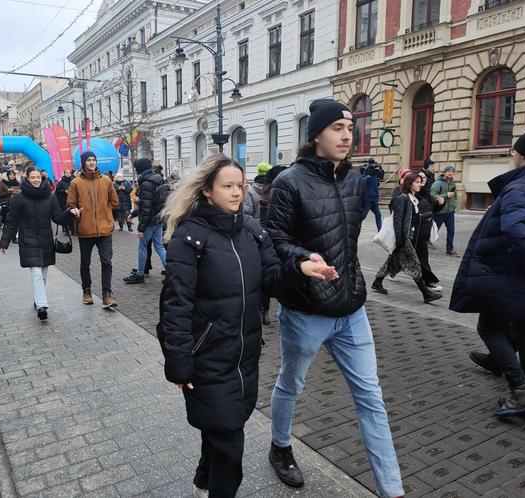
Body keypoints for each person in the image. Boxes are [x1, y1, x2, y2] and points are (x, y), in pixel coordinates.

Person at [159, 154, 337, 498]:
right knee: (230, 444)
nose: (237, 193)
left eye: (240, 186)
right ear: (208, 191)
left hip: (244, 356)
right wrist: (179, 365)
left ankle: (202, 482)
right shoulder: (189, 239)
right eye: (227, 186)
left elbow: (271, 279)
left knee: (223, 428)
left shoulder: (253, 231)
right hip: (206, 358)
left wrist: (299, 268)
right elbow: (175, 306)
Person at [265, 100, 403, 497]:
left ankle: (391, 489)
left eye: (350, 127)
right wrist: (304, 259)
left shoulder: (355, 181)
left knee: (371, 398)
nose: (347, 135)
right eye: (337, 128)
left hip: (351, 306)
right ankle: (280, 445)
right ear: (316, 135)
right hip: (306, 308)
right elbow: (275, 240)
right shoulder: (289, 182)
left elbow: (348, 238)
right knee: (291, 383)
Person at [451, 125, 525, 421]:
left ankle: (521, 389)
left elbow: (515, 231)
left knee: (489, 328)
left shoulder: (519, 190)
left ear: (521, 156)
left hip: (511, 275)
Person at [0, 166, 74, 320]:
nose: (36, 180)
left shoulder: (50, 196)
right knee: (37, 274)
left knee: (43, 274)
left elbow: (57, 218)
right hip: (28, 241)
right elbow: (12, 222)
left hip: (46, 241)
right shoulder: (18, 198)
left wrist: (69, 213)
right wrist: (4, 242)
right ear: (26, 178)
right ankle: (42, 306)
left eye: (38, 177)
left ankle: (38, 299)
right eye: (32, 177)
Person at [371, 173, 443, 303]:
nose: (420, 184)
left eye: (420, 181)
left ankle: (377, 282)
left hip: (408, 236)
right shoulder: (402, 198)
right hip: (404, 238)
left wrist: (426, 215)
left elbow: (413, 219)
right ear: (409, 184)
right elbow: (398, 221)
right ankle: (426, 293)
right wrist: (401, 240)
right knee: (414, 263)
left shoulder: (413, 199)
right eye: (416, 182)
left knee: (392, 262)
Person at [66, 151, 120, 308]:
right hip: (85, 229)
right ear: (83, 163)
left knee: (107, 262)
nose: (91, 162)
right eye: (88, 160)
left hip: (105, 229)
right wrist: (75, 212)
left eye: (93, 160)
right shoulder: (75, 183)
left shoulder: (106, 180)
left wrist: (108, 214)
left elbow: (114, 201)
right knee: (85, 263)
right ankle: (87, 291)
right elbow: (70, 204)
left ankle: (107, 295)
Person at [123, 158, 167, 284]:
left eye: (136, 169)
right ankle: (171, 272)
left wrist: (141, 228)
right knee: (159, 246)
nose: (136, 171)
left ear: (140, 169)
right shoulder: (159, 179)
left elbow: (146, 208)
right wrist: (134, 213)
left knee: (142, 247)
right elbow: (149, 204)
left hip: (150, 221)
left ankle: (140, 274)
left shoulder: (146, 183)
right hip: (159, 219)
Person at [258, 165, 287, 326]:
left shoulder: (269, 192)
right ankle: (265, 310)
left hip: (275, 242)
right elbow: (262, 222)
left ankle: (266, 310)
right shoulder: (270, 195)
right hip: (270, 242)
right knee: (270, 278)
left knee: (274, 278)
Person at [414, 169, 442, 291]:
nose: (422, 181)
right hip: (414, 233)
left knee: (398, 260)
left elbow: (433, 211)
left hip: (424, 231)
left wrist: (440, 204)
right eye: (419, 179)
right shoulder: (409, 195)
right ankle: (428, 285)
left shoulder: (426, 193)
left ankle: (379, 279)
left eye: (424, 179)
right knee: (421, 259)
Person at [431, 165, 459, 256]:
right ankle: (423, 244)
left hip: (450, 212)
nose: (450, 173)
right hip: (440, 212)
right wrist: (446, 195)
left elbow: (454, 196)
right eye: (448, 171)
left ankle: (449, 250)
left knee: (451, 230)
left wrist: (454, 205)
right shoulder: (437, 183)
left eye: (452, 171)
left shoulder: (453, 183)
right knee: (434, 230)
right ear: (444, 172)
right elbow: (432, 196)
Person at [361, 159, 384, 231]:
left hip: (374, 200)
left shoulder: (375, 174)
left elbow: (380, 177)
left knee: (378, 215)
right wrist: (368, 175)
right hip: (368, 200)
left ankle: (380, 232)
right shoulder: (367, 172)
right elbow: (362, 182)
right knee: (362, 216)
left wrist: (380, 171)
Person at [55, 169, 75, 235]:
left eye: (69, 172)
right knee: (65, 215)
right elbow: (57, 190)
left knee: (72, 215)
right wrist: (64, 191)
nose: (68, 173)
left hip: (72, 201)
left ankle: (72, 229)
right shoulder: (61, 182)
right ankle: (66, 229)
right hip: (63, 201)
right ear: (64, 173)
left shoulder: (73, 180)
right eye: (66, 172)